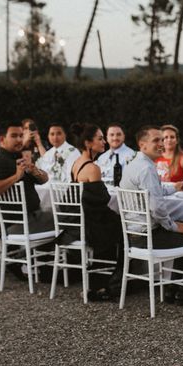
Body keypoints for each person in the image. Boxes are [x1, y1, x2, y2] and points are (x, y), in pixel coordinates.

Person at [120, 125, 183, 305]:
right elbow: (156, 208)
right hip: (149, 237)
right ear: (142, 144)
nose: (162, 143)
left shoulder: (135, 165)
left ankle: (174, 288)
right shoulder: (147, 169)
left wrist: (173, 187)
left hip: (135, 234)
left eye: (162, 139)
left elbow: (155, 191)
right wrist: (173, 225)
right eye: (156, 140)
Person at [67, 123, 124, 301]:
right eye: (100, 139)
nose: (105, 142)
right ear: (88, 143)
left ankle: (108, 279)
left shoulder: (77, 163)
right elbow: (104, 199)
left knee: (117, 223)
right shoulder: (93, 168)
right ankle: (114, 282)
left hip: (79, 222)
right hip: (91, 225)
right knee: (126, 229)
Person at [0, 122, 54, 233]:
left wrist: (35, 171)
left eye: (21, 136)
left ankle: (43, 248)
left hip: (32, 218)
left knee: (64, 215)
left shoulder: (19, 157)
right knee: (71, 218)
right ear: (2, 139)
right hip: (20, 224)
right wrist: (16, 177)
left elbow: (45, 179)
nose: (19, 140)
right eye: (14, 136)